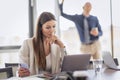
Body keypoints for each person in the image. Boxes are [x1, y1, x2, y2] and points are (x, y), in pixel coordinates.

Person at [18, 12, 65, 77]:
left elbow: (65, 67)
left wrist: (62, 46)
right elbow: (23, 70)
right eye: (48, 27)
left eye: (54, 26)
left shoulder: (56, 46)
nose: (52, 30)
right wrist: (21, 72)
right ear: (40, 28)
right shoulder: (27, 44)